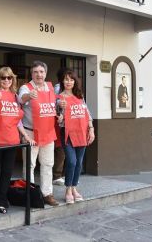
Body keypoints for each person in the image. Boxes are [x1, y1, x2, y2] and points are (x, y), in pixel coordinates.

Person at [0, 67, 34, 214]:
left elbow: (17, 120)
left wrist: (25, 135)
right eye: (3, 78)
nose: (6, 80)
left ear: (12, 80)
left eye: (9, 78)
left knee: (6, 172)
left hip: (12, 139)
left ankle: (1, 200)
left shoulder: (15, 96)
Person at [18, 61, 59, 206]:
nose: (39, 75)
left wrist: (60, 108)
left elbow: (55, 104)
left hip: (48, 132)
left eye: (41, 72)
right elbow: (21, 99)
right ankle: (30, 194)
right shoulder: (25, 87)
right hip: (31, 133)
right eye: (35, 72)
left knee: (48, 164)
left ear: (45, 73)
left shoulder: (50, 86)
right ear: (32, 74)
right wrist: (29, 96)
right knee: (29, 165)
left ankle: (47, 193)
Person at [57, 69, 95, 203]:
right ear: (62, 81)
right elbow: (58, 120)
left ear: (74, 82)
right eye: (66, 79)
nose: (69, 82)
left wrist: (91, 129)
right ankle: (68, 189)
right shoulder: (59, 98)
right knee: (71, 161)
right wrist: (60, 114)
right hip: (67, 133)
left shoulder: (80, 96)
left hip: (82, 132)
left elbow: (87, 113)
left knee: (79, 163)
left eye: (71, 79)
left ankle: (74, 188)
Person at [52, 67, 67, 186]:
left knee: (61, 149)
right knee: (59, 148)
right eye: (67, 78)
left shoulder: (73, 91)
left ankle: (60, 174)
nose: (69, 81)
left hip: (66, 123)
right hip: (57, 122)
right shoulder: (57, 88)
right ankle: (57, 175)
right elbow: (55, 104)